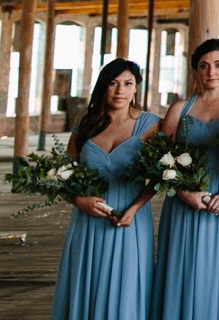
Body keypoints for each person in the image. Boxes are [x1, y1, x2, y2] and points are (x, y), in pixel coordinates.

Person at [150, 38, 219, 320]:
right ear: (195, 70)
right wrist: (184, 192)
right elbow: (159, 159)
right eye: (204, 66)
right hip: (184, 203)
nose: (212, 72)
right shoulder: (179, 109)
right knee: (182, 270)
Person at [51, 58, 161, 320]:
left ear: (136, 89)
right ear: (103, 86)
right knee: (86, 281)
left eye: (127, 83)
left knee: (126, 286)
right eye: (113, 83)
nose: (120, 90)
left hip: (129, 219)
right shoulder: (86, 124)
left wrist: (135, 207)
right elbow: (62, 174)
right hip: (88, 218)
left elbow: (163, 175)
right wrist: (79, 201)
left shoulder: (151, 125)